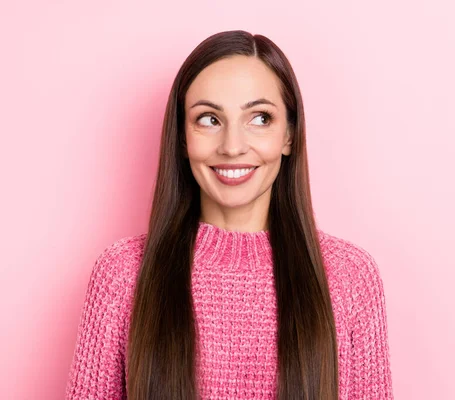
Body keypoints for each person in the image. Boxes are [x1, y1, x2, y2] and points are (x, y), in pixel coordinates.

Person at [65, 30, 393, 400]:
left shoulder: (351, 277)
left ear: (289, 135)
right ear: (182, 138)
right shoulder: (122, 275)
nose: (233, 146)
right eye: (208, 119)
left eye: (260, 118)